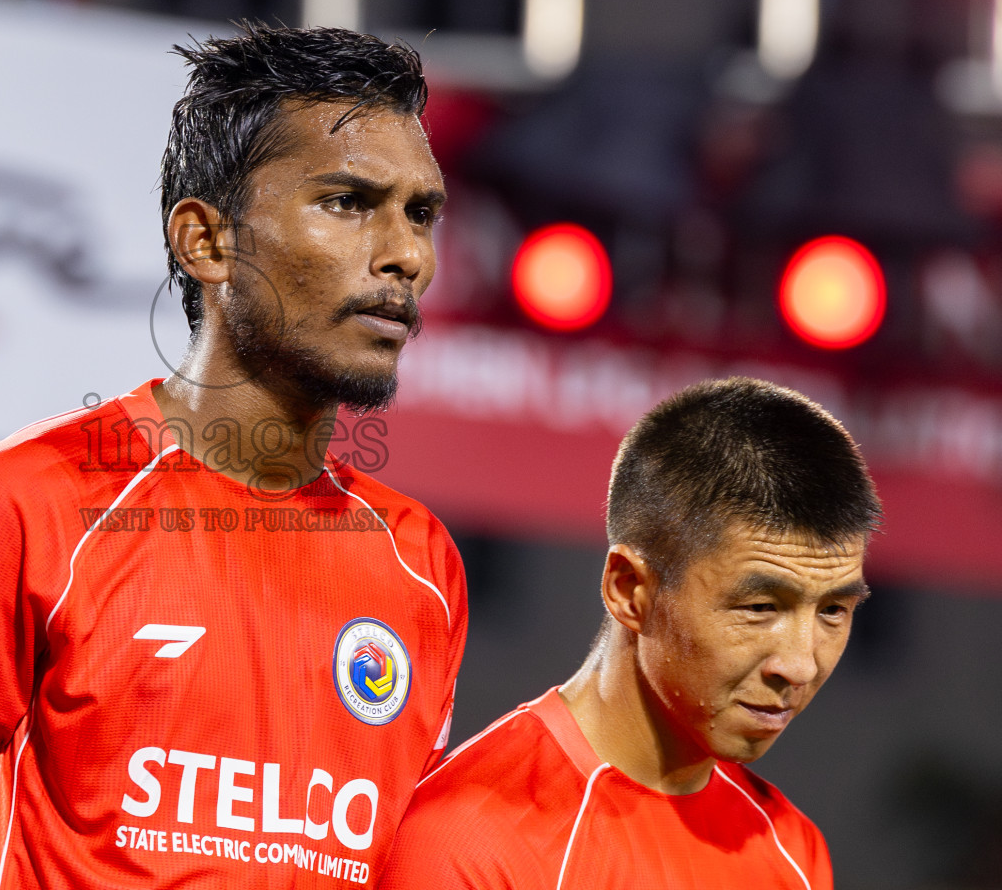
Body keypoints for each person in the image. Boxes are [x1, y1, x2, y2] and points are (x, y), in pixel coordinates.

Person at [0, 25, 468, 889]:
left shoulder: (422, 564)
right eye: (349, 202)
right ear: (206, 241)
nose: (407, 256)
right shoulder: (22, 507)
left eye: (421, 213)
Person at [377, 377, 880, 890]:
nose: (799, 665)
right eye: (759, 606)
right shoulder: (469, 844)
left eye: (834, 610)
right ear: (630, 589)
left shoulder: (792, 850)